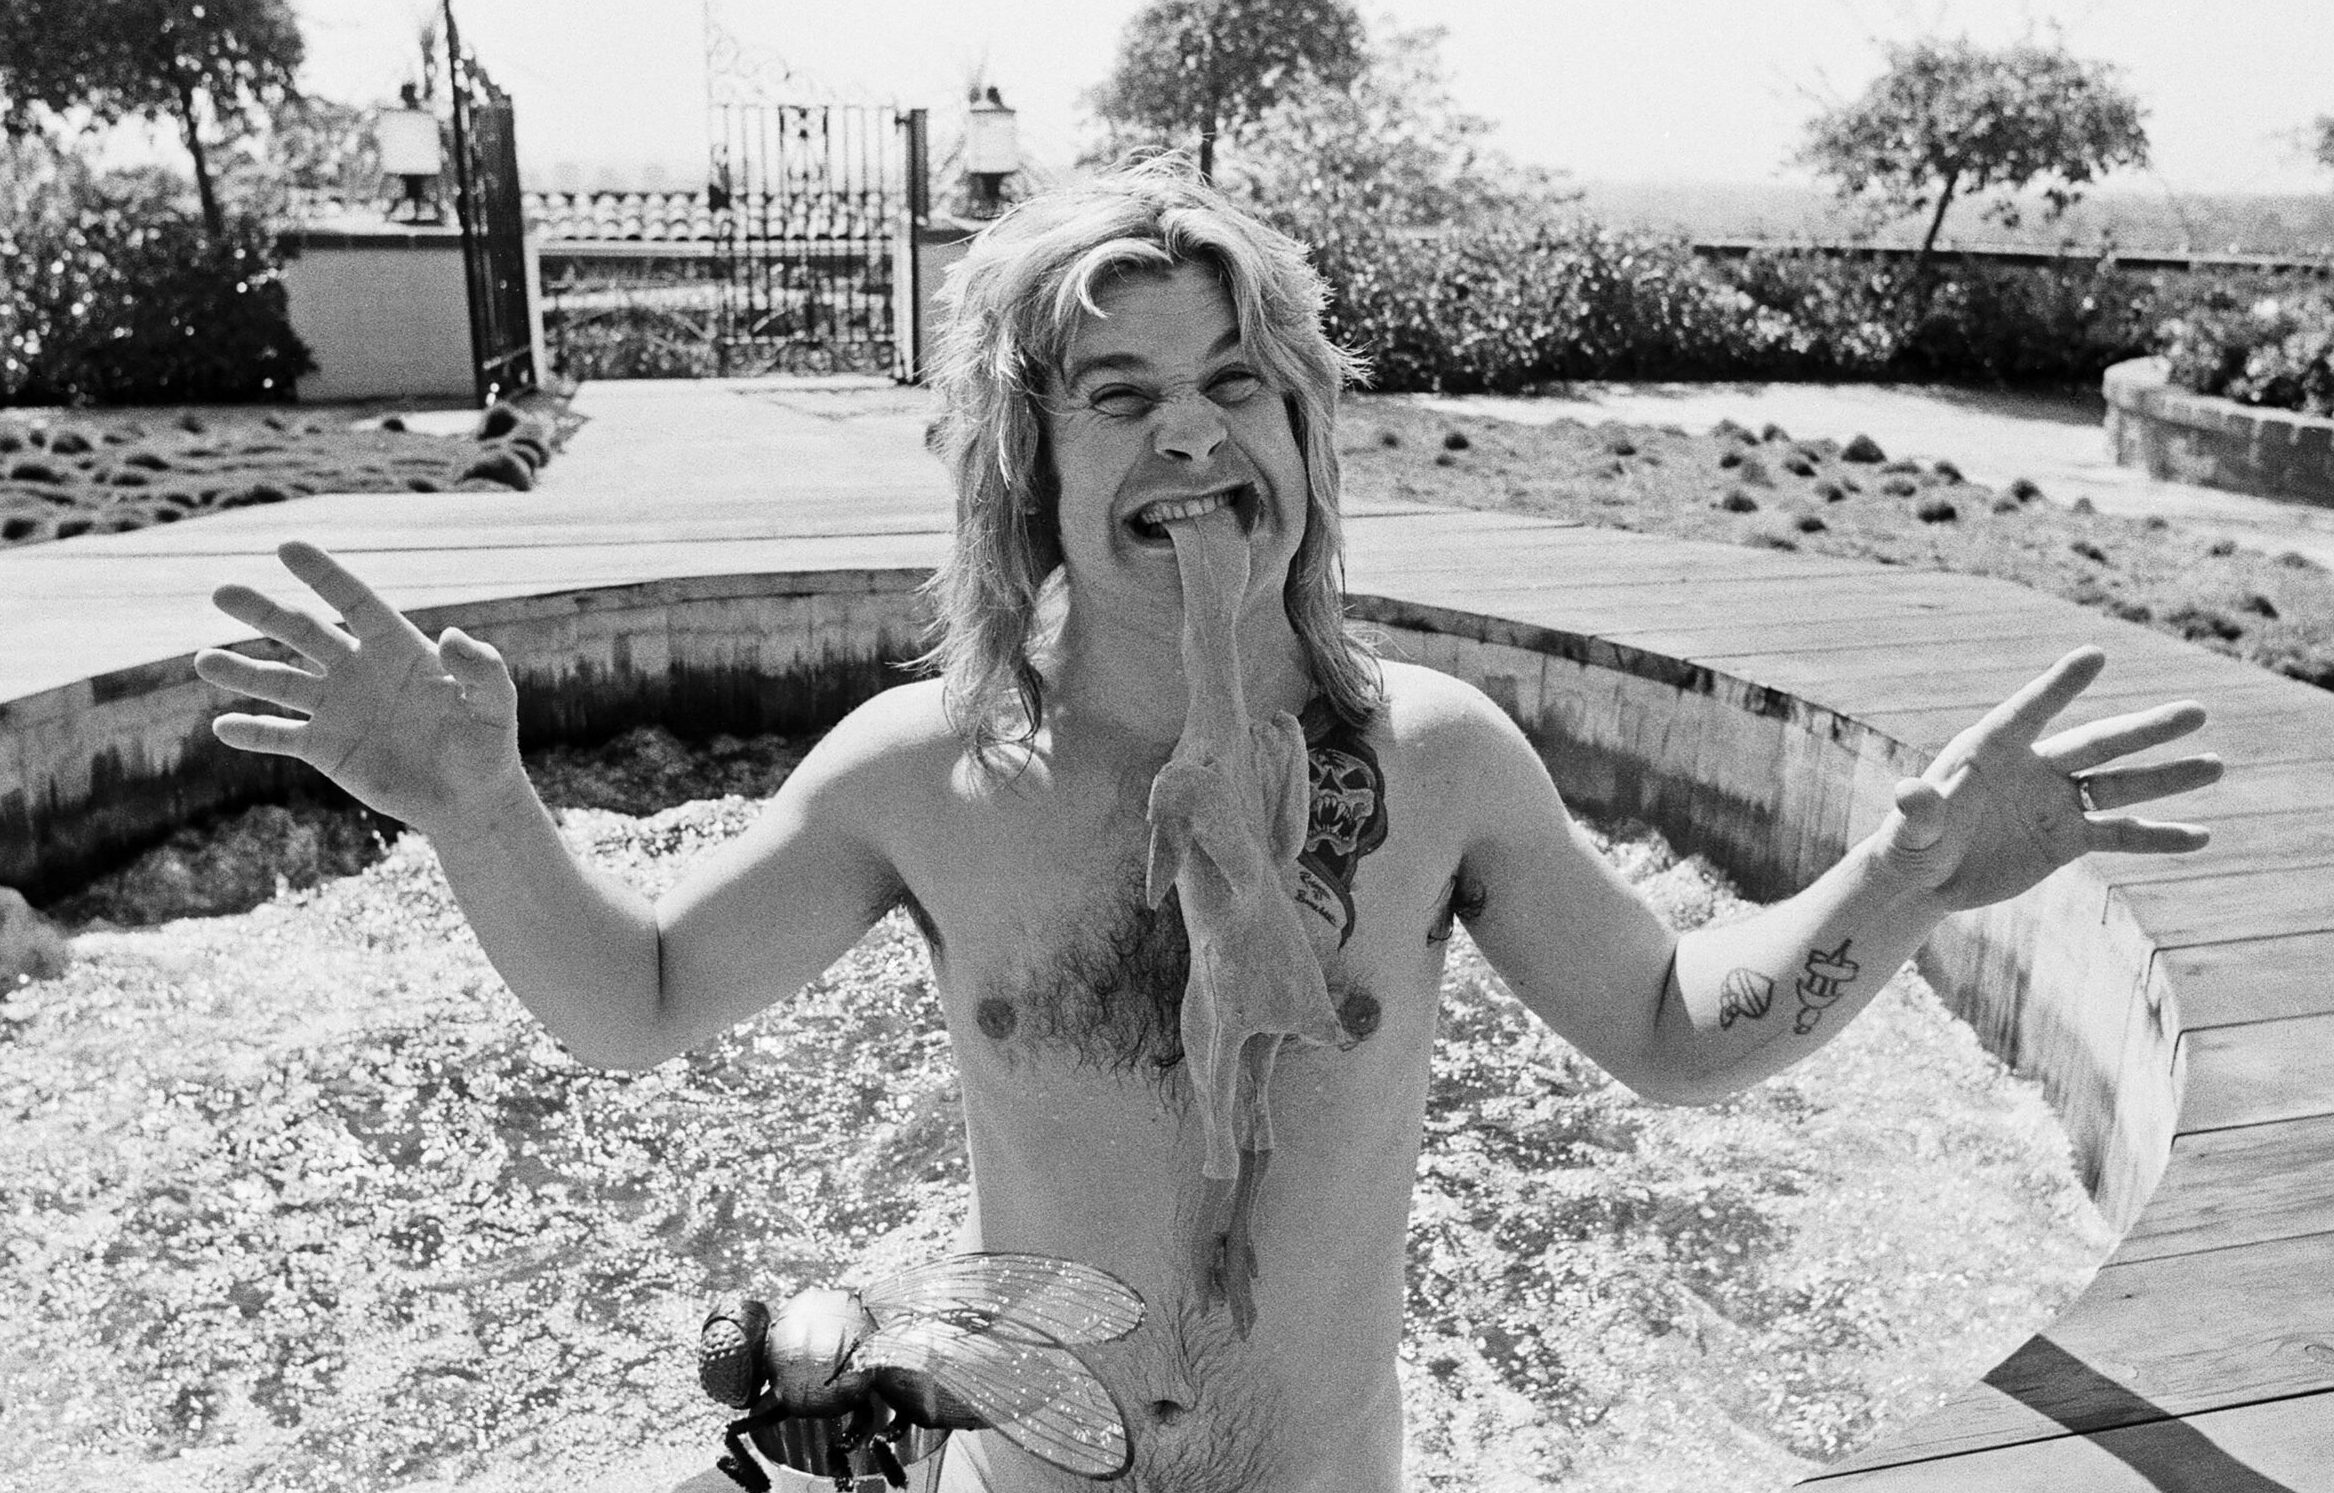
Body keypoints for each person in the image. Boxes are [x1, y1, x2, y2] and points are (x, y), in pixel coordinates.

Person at [193, 162, 2222, 1493]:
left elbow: (1682, 1034)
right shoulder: (929, 777)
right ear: (1023, 469)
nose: (1190, 431)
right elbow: (635, 1004)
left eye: (1241, 385)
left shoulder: (1434, 765)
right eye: (1121, 393)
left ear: (1305, 448)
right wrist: (480, 806)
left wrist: (1910, 870)